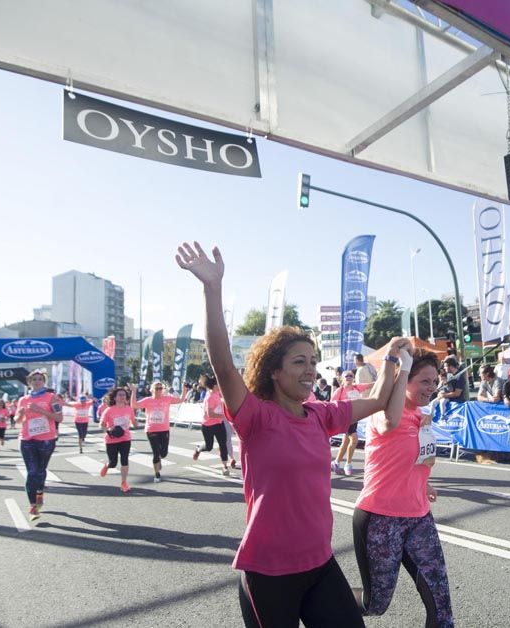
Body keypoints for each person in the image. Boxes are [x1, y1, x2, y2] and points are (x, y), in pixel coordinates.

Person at [176, 240, 403, 628]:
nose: (311, 369)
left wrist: (395, 356)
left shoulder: (321, 415)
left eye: (313, 362)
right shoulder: (255, 418)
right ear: (274, 372)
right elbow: (225, 368)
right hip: (268, 573)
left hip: (320, 563)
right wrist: (211, 289)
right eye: (299, 362)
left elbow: (381, 398)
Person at [353, 349, 454, 627]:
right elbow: (390, 424)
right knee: (375, 604)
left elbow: (410, 458)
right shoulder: (382, 412)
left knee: (440, 602)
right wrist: (403, 366)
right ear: (404, 379)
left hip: (419, 517)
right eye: (424, 381)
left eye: (434, 382)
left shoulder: (421, 416)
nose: (431, 388)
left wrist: (424, 482)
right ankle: (323, 605)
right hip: (380, 519)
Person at [17, 370, 64, 519]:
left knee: (40, 470)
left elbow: (59, 418)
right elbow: (17, 420)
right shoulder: (23, 399)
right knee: (32, 472)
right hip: (27, 439)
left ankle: (40, 493)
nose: (37, 381)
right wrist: (23, 413)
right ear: (29, 382)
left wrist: (40, 410)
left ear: (44, 382)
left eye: (40, 379)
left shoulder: (52, 397)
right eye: (34, 379)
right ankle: (33, 506)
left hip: (46, 439)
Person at [135, 381, 182, 482]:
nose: (159, 390)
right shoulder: (147, 400)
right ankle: (157, 474)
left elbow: (181, 399)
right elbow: (134, 405)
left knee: (164, 453)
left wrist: (185, 389)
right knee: (156, 453)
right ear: (152, 390)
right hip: (151, 429)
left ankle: (159, 459)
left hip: (164, 429)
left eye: (161, 388)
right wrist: (133, 391)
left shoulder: (167, 399)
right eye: (157, 388)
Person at [331, 370, 370, 476]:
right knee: (354, 440)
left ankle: (336, 462)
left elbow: (371, 385)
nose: (349, 378)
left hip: (355, 418)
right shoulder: (339, 390)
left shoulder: (357, 388)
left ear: (353, 378)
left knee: (345, 442)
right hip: (345, 418)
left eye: (351, 376)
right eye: (346, 376)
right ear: (342, 379)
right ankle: (348, 464)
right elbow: (332, 404)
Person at [99, 385, 137, 492]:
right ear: (114, 398)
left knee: (124, 460)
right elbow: (101, 425)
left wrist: (135, 423)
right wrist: (109, 430)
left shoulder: (129, 409)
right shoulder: (109, 410)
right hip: (111, 440)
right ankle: (107, 465)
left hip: (125, 438)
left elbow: (133, 422)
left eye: (124, 395)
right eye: (119, 395)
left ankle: (124, 483)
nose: (122, 397)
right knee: (113, 463)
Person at [194, 375, 232, 476]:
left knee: (223, 444)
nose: (220, 386)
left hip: (219, 423)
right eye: (218, 384)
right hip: (208, 425)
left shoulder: (218, 393)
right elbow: (210, 414)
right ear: (214, 386)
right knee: (209, 447)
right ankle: (198, 448)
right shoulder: (209, 397)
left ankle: (224, 466)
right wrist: (223, 415)